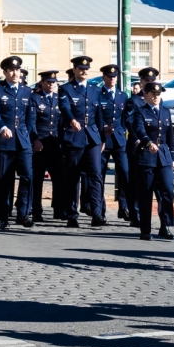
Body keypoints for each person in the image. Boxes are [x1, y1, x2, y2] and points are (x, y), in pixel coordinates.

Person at [0, 56, 36, 230]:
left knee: (27, 176)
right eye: (12, 70)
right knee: (3, 180)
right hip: (4, 142)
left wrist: (28, 135)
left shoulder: (27, 91)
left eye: (18, 70)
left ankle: (23, 213)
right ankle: (3, 215)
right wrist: (1, 127)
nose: (16, 73)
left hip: (23, 141)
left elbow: (30, 116)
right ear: (5, 72)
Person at [58, 55, 106, 228]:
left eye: (86, 69)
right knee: (73, 177)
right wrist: (71, 120)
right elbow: (64, 107)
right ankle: (72, 214)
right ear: (75, 70)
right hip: (74, 137)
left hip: (92, 137)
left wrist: (102, 138)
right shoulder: (66, 89)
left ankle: (97, 213)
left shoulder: (95, 90)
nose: (84, 72)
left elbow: (99, 115)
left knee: (95, 175)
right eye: (81, 69)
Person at [128, 81, 174, 240]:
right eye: (153, 94)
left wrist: (173, 158)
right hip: (147, 156)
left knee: (167, 190)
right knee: (146, 193)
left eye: (158, 94)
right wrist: (148, 142)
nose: (156, 97)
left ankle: (166, 225)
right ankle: (145, 229)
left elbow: (170, 136)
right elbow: (139, 129)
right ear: (146, 95)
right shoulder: (140, 111)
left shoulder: (165, 112)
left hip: (163, 157)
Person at [124, 66, 160, 228]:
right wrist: (139, 139)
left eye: (152, 80)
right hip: (138, 146)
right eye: (147, 81)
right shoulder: (134, 101)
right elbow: (130, 122)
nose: (149, 83)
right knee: (136, 181)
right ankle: (135, 214)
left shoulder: (158, 99)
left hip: (154, 148)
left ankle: (165, 216)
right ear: (141, 81)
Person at [98, 64, 131, 221]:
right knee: (100, 175)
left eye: (114, 77)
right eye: (109, 76)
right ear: (104, 77)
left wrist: (121, 130)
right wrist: (102, 127)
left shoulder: (122, 96)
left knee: (125, 173)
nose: (112, 79)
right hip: (103, 140)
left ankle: (123, 207)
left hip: (119, 140)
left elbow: (125, 118)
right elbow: (94, 115)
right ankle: (100, 211)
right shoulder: (98, 94)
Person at [30, 70, 65, 223]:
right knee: (37, 179)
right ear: (42, 83)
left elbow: (62, 122)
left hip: (55, 144)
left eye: (53, 82)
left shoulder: (59, 99)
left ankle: (59, 209)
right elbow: (31, 121)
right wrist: (34, 139)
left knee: (59, 178)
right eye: (48, 82)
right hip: (40, 144)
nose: (51, 85)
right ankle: (36, 210)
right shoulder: (35, 98)